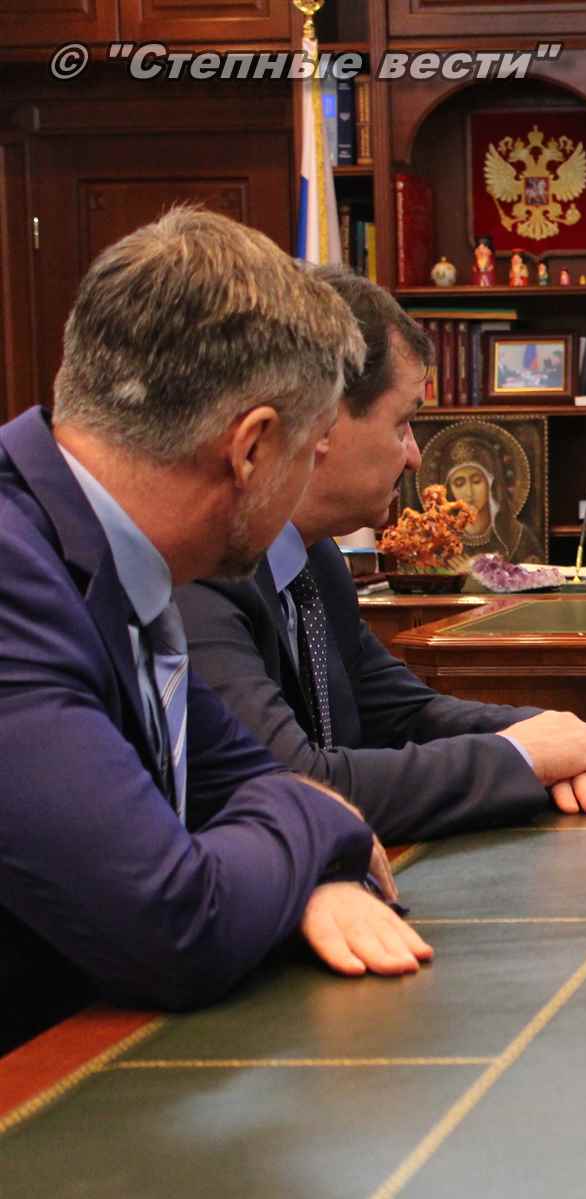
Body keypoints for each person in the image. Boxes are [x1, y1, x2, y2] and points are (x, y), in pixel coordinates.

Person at [0, 209, 433, 1054]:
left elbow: (247, 781)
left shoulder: (108, 552)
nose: (308, 475)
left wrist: (301, 857)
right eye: (311, 448)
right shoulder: (18, 580)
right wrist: (318, 838)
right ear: (252, 449)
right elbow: (175, 920)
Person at [175, 267, 586, 846]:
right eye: (404, 423)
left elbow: (399, 711)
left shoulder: (317, 562)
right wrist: (522, 758)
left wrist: (551, 735)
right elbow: (296, 784)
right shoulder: (201, 568)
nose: (415, 456)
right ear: (323, 421)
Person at [440, 429, 543, 563]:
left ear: (491, 483)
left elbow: (537, 571)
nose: (469, 493)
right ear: (449, 489)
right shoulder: (441, 541)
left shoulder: (518, 536)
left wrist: (478, 568)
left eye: (477, 481)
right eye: (459, 484)